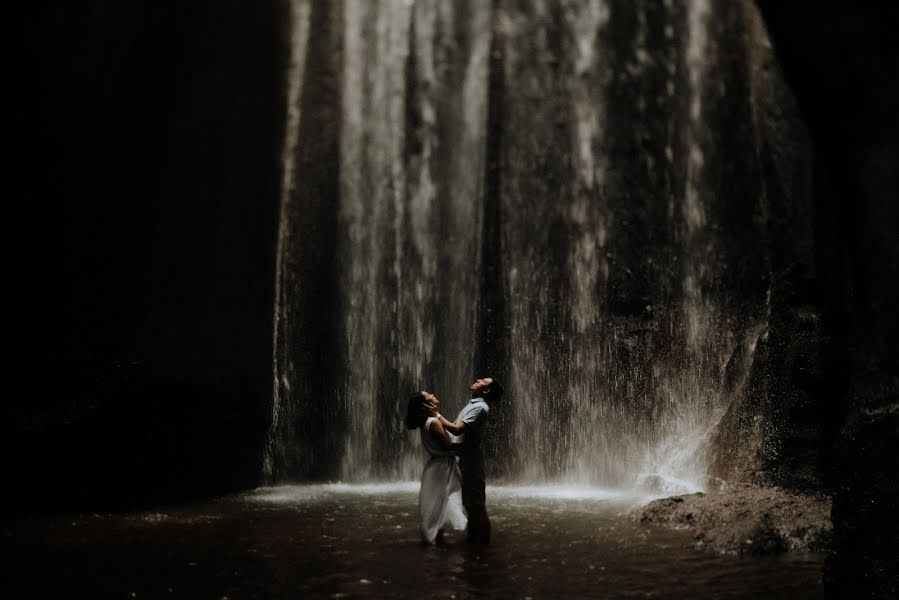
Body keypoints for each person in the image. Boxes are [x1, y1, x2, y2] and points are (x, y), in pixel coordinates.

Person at [427, 377, 504, 544]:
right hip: (464, 458)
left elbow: (456, 429)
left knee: (477, 505)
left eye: (484, 380)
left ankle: (483, 545)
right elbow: (454, 427)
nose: (478, 379)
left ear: (487, 390)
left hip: (472, 462)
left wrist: (436, 415)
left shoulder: (480, 408)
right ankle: (474, 542)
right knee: (470, 504)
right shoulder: (472, 404)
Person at [406, 390, 467, 544]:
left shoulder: (427, 422)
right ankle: (435, 541)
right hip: (442, 468)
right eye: (429, 396)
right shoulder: (433, 423)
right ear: (426, 404)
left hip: (437, 467)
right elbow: (449, 444)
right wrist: (470, 449)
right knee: (441, 502)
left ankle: (435, 540)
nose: (433, 395)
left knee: (438, 503)